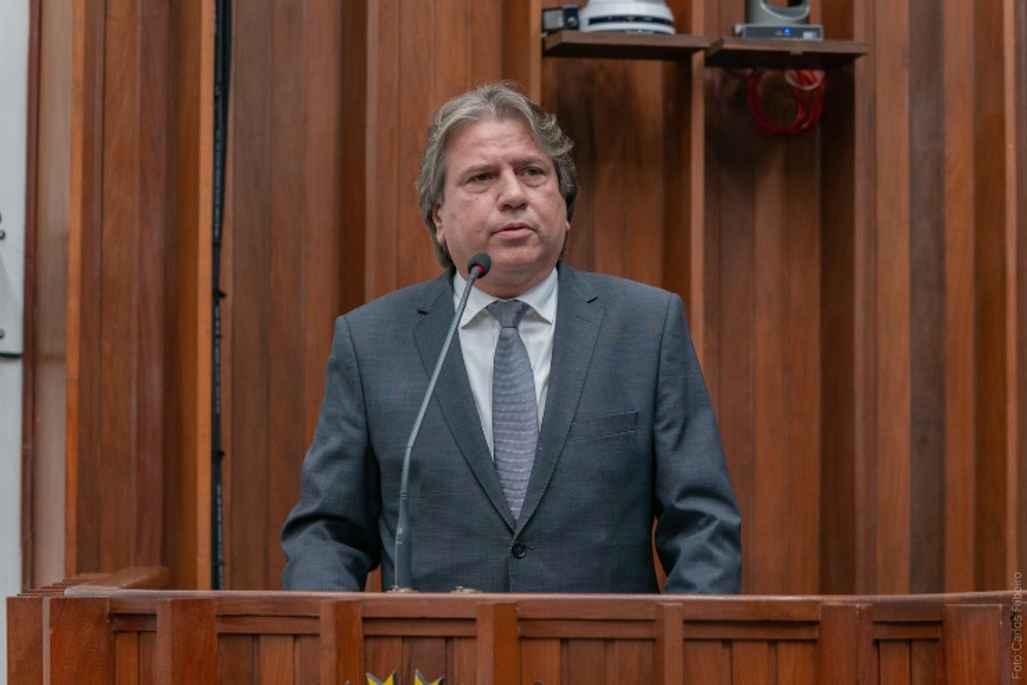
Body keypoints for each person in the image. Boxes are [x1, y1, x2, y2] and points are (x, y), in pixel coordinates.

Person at [280, 82, 741, 593]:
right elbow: (327, 534)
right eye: (482, 177)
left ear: (564, 204)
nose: (514, 195)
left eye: (532, 172)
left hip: (605, 644)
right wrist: (334, 632)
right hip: (436, 645)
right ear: (438, 215)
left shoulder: (645, 326)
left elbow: (704, 529)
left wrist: (682, 641)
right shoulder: (371, 343)